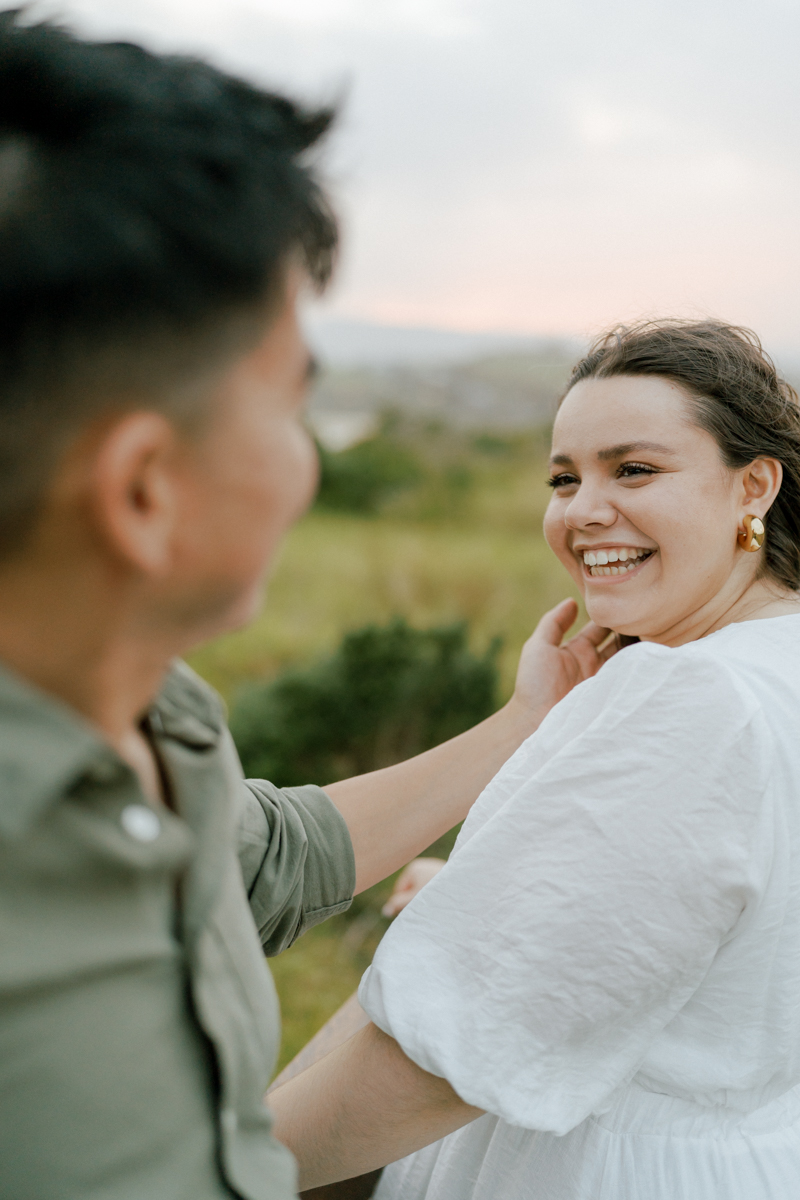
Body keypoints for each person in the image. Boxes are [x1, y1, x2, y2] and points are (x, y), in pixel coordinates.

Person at [0, 13, 615, 1200]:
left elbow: (266, 860)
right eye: (289, 405)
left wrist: (521, 724)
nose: (309, 462)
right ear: (143, 490)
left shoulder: (154, 717)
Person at [270, 320, 800, 1199]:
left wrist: (209, 1171)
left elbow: (452, 1052)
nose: (583, 510)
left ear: (755, 485)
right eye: (564, 477)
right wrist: (492, 883)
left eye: (634, 469)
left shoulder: (691, 697)